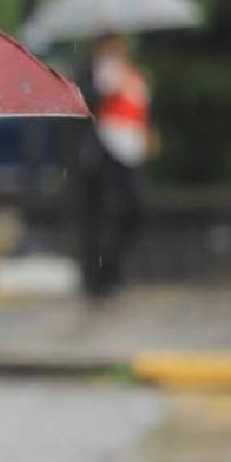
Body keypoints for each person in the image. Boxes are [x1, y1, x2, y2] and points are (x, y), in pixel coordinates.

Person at [76, 33, 153, 298]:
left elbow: (138, 108)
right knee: (98, 216)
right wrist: (103, 89)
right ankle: (96, 279)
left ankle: (111, 269)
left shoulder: (131, 72)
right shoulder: (89, 71)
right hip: (100, 153)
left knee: (134, 208)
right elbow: (83, 104)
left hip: (130, 150)